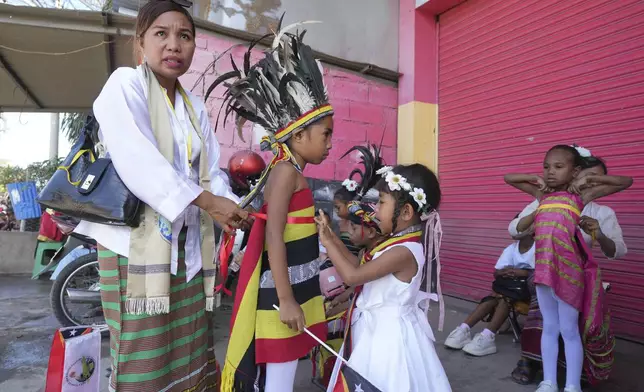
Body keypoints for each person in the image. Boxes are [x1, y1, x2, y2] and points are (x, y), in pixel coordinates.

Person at [74, 2, 249, 391]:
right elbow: (140, 162)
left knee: (187, 345)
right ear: (140, 43)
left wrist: (231, 206)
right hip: (133, 249)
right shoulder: (125, 85)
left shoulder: (195, 108)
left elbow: (211, 172)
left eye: (184, 36)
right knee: (142, 353)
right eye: (161, 34)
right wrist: (208, 202)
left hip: (187, 250)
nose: (174, 45)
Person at [210, 20, 333, 392]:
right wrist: (285, 299)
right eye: (325, 134)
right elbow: (274, 238)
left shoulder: (291, 171)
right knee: (278, 376)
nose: (330, 142)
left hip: (298, 287)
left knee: (286, 368)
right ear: (298, 135)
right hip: (284, 294)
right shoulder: (284, 173)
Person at [504, 145, 632, 392]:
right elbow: (508, 178)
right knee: (550, 327)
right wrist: (537, 179)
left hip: (570, 275)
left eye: (558, 167)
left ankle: (572, 385)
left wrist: (592, 178)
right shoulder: (543, 197)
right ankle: (548, 381)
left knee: (569, 330)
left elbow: (625, 181)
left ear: (575, 173)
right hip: (543, 272)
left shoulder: (580, 198)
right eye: (547, 166)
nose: (550, 172)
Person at [318, 164, 452, 392]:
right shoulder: (394, 243)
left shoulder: (403, 252)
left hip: (389, 340)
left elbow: (353, 276)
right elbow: (361, 268)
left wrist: (329, 243)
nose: (376, 209)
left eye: (381, 202)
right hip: (376, 330)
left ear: (406, 212)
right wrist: (334, 239)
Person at [445, 224, 535, 356]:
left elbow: (540, 272)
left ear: (532, 229)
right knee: (494, 297)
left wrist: (520, 272)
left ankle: (488, 336)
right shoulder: (512, 249)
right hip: (513, 290)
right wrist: (507, 272)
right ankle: (463, 329)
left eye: (522, 226)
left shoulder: (539, 248)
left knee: (504, 298)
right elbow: (497, 272)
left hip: (530, 293)